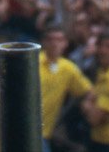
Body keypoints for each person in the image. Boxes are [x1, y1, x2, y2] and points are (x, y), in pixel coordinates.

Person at [40, 23, 93, 152]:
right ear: (44, 42)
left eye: (59, 40)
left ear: (65, 43)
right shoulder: (32, 61)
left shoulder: (68, 68)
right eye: (50, 39)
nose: (54, 44)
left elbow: (88, 90)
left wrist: (88, 102)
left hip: (43, 133)